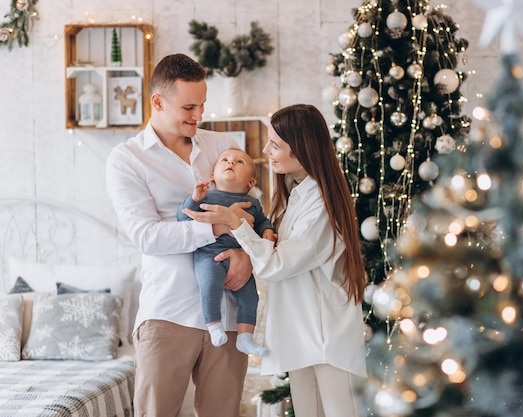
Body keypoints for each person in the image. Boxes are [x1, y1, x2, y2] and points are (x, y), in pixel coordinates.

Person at [182, 104, 368, 417]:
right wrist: (241, 244)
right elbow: (273, 253)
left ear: (303, 149)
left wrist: (236, 223)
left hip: (326, 336)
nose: (266, 150)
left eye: (276, 145)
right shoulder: (296, 195)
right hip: (301, 332)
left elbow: (278, 264)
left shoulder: (320, 202)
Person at [105, 53, 253, 417]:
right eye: (189, 106)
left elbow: (252, 211)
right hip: (167, 313)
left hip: (229, 311)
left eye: (202, 105)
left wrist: (247, 254)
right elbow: (147, 237)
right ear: (158, 101)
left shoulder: (223, 147)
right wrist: (217, 226)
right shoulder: (127, 159)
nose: (198, 115)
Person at [177, 148, 274, 357]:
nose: (231, 163)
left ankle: (245, 337)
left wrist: (267, 231)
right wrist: (194, 198)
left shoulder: (252, 203)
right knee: (209, 285)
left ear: (250, 183)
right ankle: (213, 325)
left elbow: (263, 221)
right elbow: (184, 218)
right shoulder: (207, 197)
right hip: (210, 256)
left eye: (240, 162)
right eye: (225, 160)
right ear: (213, 176)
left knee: (250, 296)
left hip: (241, 257)